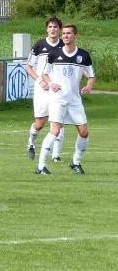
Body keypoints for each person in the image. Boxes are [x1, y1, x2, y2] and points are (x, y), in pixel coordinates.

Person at [35, 24, 95, 175]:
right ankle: (41, 166)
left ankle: (76, 162)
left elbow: (91, 76)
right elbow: (45, 74)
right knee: (54, 131)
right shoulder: (54, 53)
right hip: (57, 100)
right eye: (64, 33)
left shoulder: (83, 55)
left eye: (69, 33)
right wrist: (51, 84)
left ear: (76, 35)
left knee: (84, 132)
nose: (66, 36)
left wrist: (88, 86)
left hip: (75, 100)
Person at [25, 17, 65, 162]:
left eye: (55, 27)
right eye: (50, 27)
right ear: (46, 29)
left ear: (60, 29)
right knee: (40, 122)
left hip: (57, 88)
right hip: (42, 88)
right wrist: (40, 80)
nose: (53, 29)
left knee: (58, 121)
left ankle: (56, 155)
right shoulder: (39, 45)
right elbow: (28, 67)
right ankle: (31, 143)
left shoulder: (64, 45)